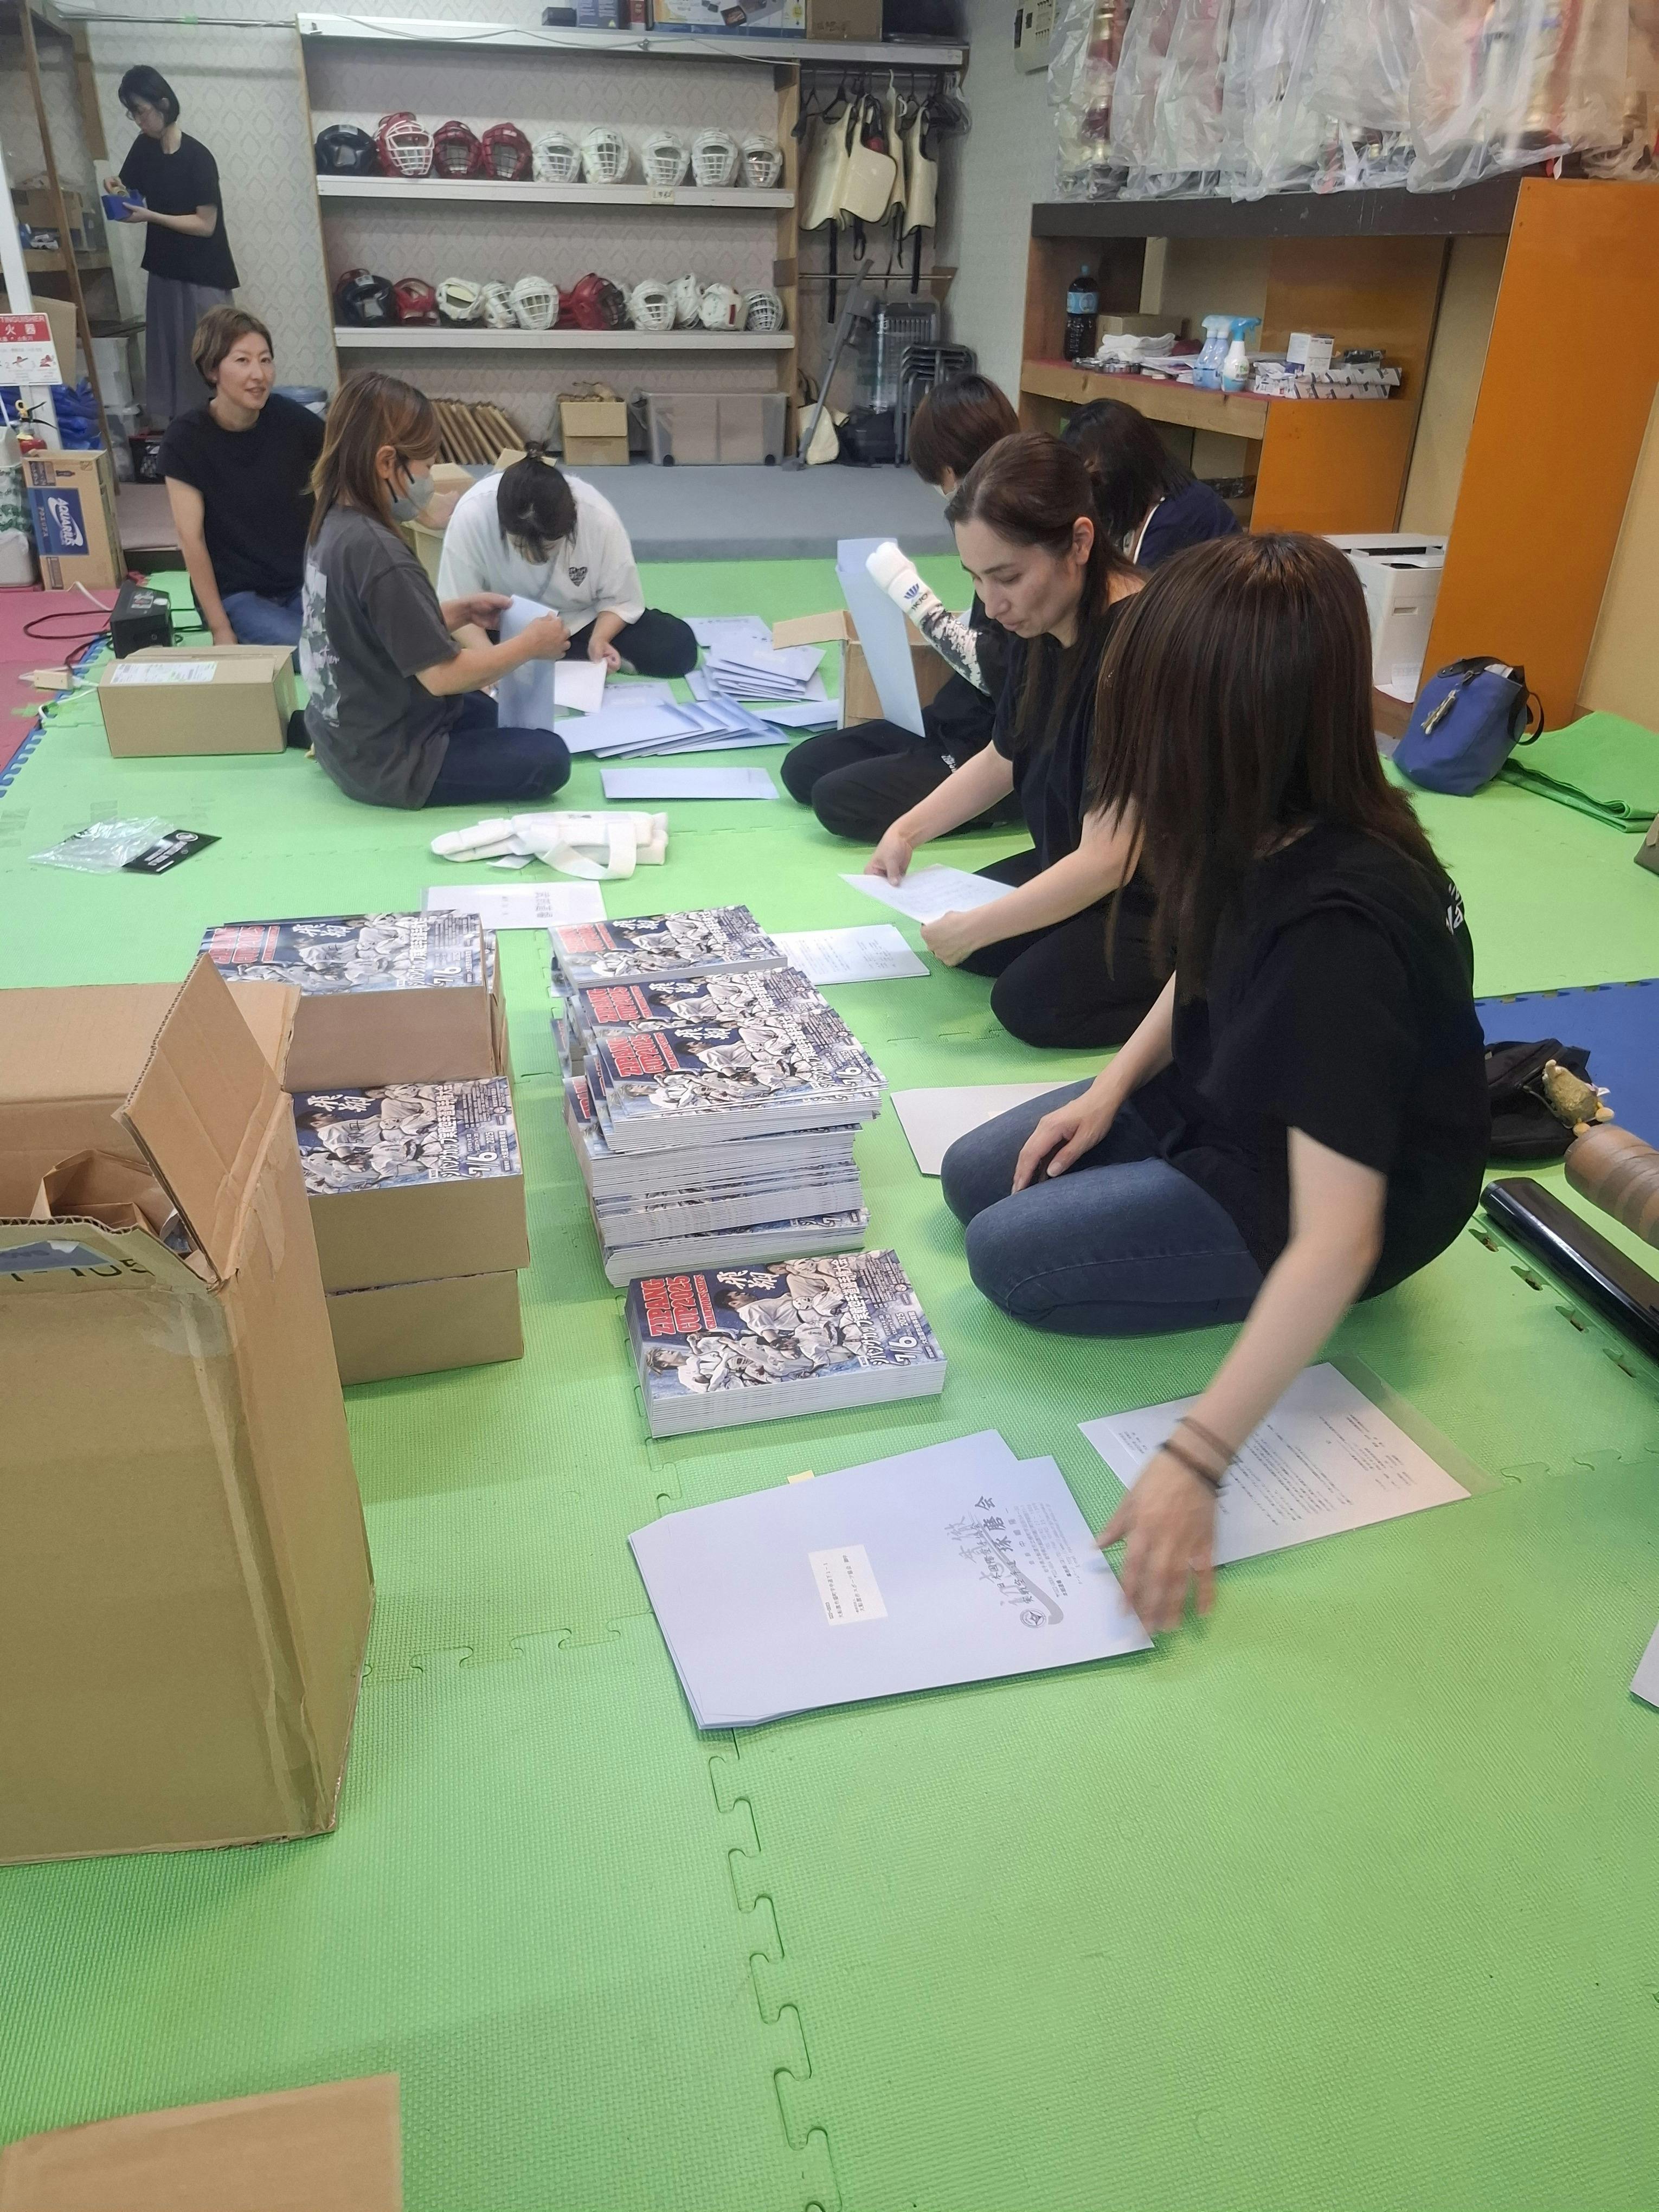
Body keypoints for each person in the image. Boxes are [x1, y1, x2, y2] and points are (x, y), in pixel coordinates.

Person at [940, 533, 1489, 1632]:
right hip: (1231, 1093)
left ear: (1227, 723)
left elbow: (1338, 1238)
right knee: (975, 1174)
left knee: (1007, 1257)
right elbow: (1197, 965)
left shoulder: (1340, 928)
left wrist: (1196, 1458)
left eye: (1151, 713)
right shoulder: (1259, 813)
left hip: (1326, 1195)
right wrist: (1108, 1091)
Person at [863, 431, 1166, 1050]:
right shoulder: (1041, 619)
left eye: (1007, 577)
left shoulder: (1141, 646)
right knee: (966, 940)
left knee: (1027, 1002)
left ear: (1079, 543)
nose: (991, 603)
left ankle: (1211, 994)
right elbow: (1005, 756)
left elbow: (1110, 858)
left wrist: (980, 927)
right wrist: (907, 831)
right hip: (1078, 856)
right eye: (976, 579)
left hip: (1159, 894)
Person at [299, 370, 571, 811]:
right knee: (549, 757)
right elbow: (443, 676)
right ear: (387, 463)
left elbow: (365, 626)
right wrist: (529, 646)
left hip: (344, 735)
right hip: (390, 762)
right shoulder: (380, 553)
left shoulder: (331, 519)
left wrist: (455, 613)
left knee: (494, 715)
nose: (429, 480)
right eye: (426, 467)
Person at [780, 371, 1023, 842]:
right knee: (802, 769)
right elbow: (988, 633)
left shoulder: (1013, 532)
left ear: (952, 468)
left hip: (992, 744)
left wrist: (911, 595)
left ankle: (992, 807)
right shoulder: (985, 521)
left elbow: (999, 671)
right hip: (951, 718)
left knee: (835, 800)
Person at [435, 446, 696, 676]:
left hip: (579, 622)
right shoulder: (473, 514)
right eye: (520, 546)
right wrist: (490, 664)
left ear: (570, 524)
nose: (533, 558)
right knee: (432, 656)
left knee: (678, 648)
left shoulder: (597, 516)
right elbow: (457, 608)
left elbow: (621, 600)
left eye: (549, 547)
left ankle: (566, 657)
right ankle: (550, 658)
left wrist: (600, 639)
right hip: (504, 626)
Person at [157, 307, 321, 648]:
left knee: (350, 643)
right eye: (243, 361)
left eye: (265, 360)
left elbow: (348, 462)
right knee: (310, 650)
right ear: (212, 369)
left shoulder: (292, 420)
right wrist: (220, 630)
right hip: (236, 595)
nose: (259, 374)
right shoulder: (185, 439)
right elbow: (191, 539)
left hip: (299, 583)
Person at [105, 66, 239, 425]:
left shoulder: (198, 157)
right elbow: (127, 191)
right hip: (164, 271)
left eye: (141, 111)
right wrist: (115, 189)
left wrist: (151, 216)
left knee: (210, 360)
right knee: (170, 362)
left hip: (204, 276)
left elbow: (205, 225)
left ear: (163, 104)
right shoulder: (144, 148)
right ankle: (179, 438)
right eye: (132, 113)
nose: (138, 120)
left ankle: (223, 433)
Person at [1061, 398, 1240, 566]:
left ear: (1123, 470)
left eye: (1095, 480)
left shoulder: (1176, 518)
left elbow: (1139, 588)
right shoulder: (1155, 496)